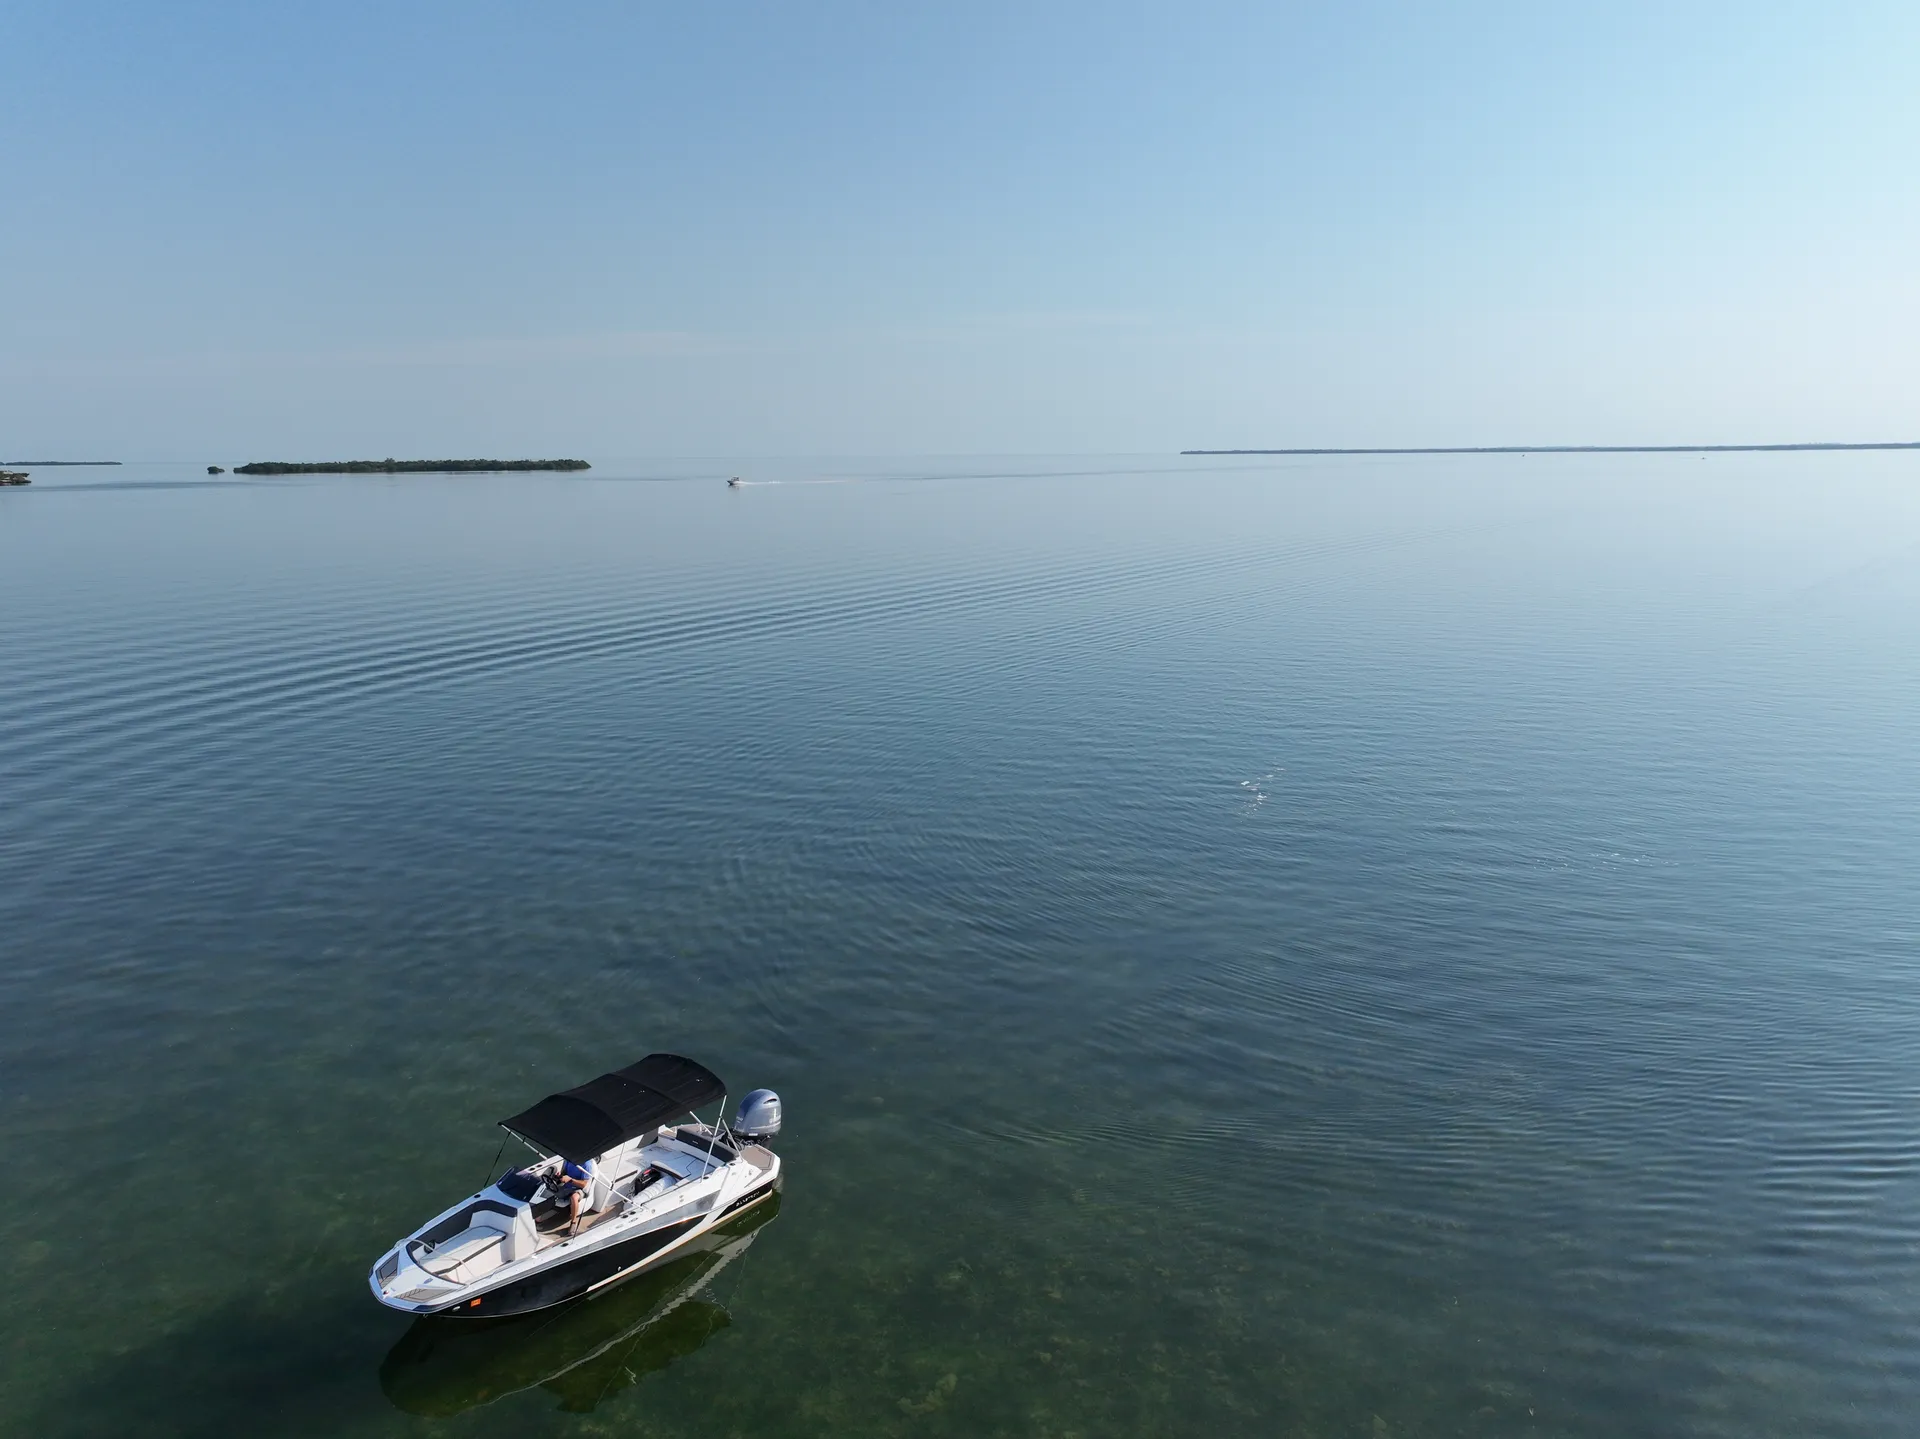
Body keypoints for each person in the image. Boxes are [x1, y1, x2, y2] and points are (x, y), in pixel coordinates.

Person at [552, 1157, 596, 1231]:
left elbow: (583, 1184)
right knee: (549, 1190)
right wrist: (560, 1176)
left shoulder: (586, 1164)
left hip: (579, 1189)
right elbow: (564, 1173)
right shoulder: (568, 1159)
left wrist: (570, 1180)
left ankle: (573, 1223)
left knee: (574, 1197)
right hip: (566, 1186)